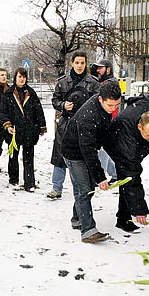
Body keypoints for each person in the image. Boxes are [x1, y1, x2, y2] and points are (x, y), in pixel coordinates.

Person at [61, 82, 122, 243]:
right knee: (83, 190)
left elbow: (105, 136)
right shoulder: (89, 116)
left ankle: (77, 218)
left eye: (117, 105)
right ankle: (88, 230)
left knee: (88, 189)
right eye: (110, 105)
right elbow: (88, 150)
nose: (113, 109)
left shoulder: (104, 106)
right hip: (74, 153)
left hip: (85, 149)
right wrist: (100, 177)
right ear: (101, 99)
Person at [48, 51, 100, 205]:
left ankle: (84, 186)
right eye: (77, 62)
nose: (79, 66)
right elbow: (55, 99)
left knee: (85, 155)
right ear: (72, 63)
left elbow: (99, 101)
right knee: (60, 155)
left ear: (86, 63)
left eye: (82, 63)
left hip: (86, 126)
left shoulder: (93, 83)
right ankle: (56, 187)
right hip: (66, 123)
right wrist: (63, 105)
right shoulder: (63, 82)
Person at [105, 97, 149, 232]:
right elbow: (132, 175)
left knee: (128, 177)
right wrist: (139, 208)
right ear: (139, 127)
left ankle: (124, 217)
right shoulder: (127, 141)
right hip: (114, 143)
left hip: (133, 144)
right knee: (127, 178)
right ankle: (123, 219)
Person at [0, 67, 47, 192]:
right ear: (15, 77)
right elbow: (3, 112)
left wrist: (41, 126)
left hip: (29, 130)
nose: (22, 79)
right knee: (13, 156)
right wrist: (7, 125)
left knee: (28, 157)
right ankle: (13, 178)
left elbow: (38, 111)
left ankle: (29, 182)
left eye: (24, 77)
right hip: (14, 131)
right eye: (19, 77)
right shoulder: (8, 94)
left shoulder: (31, 93)